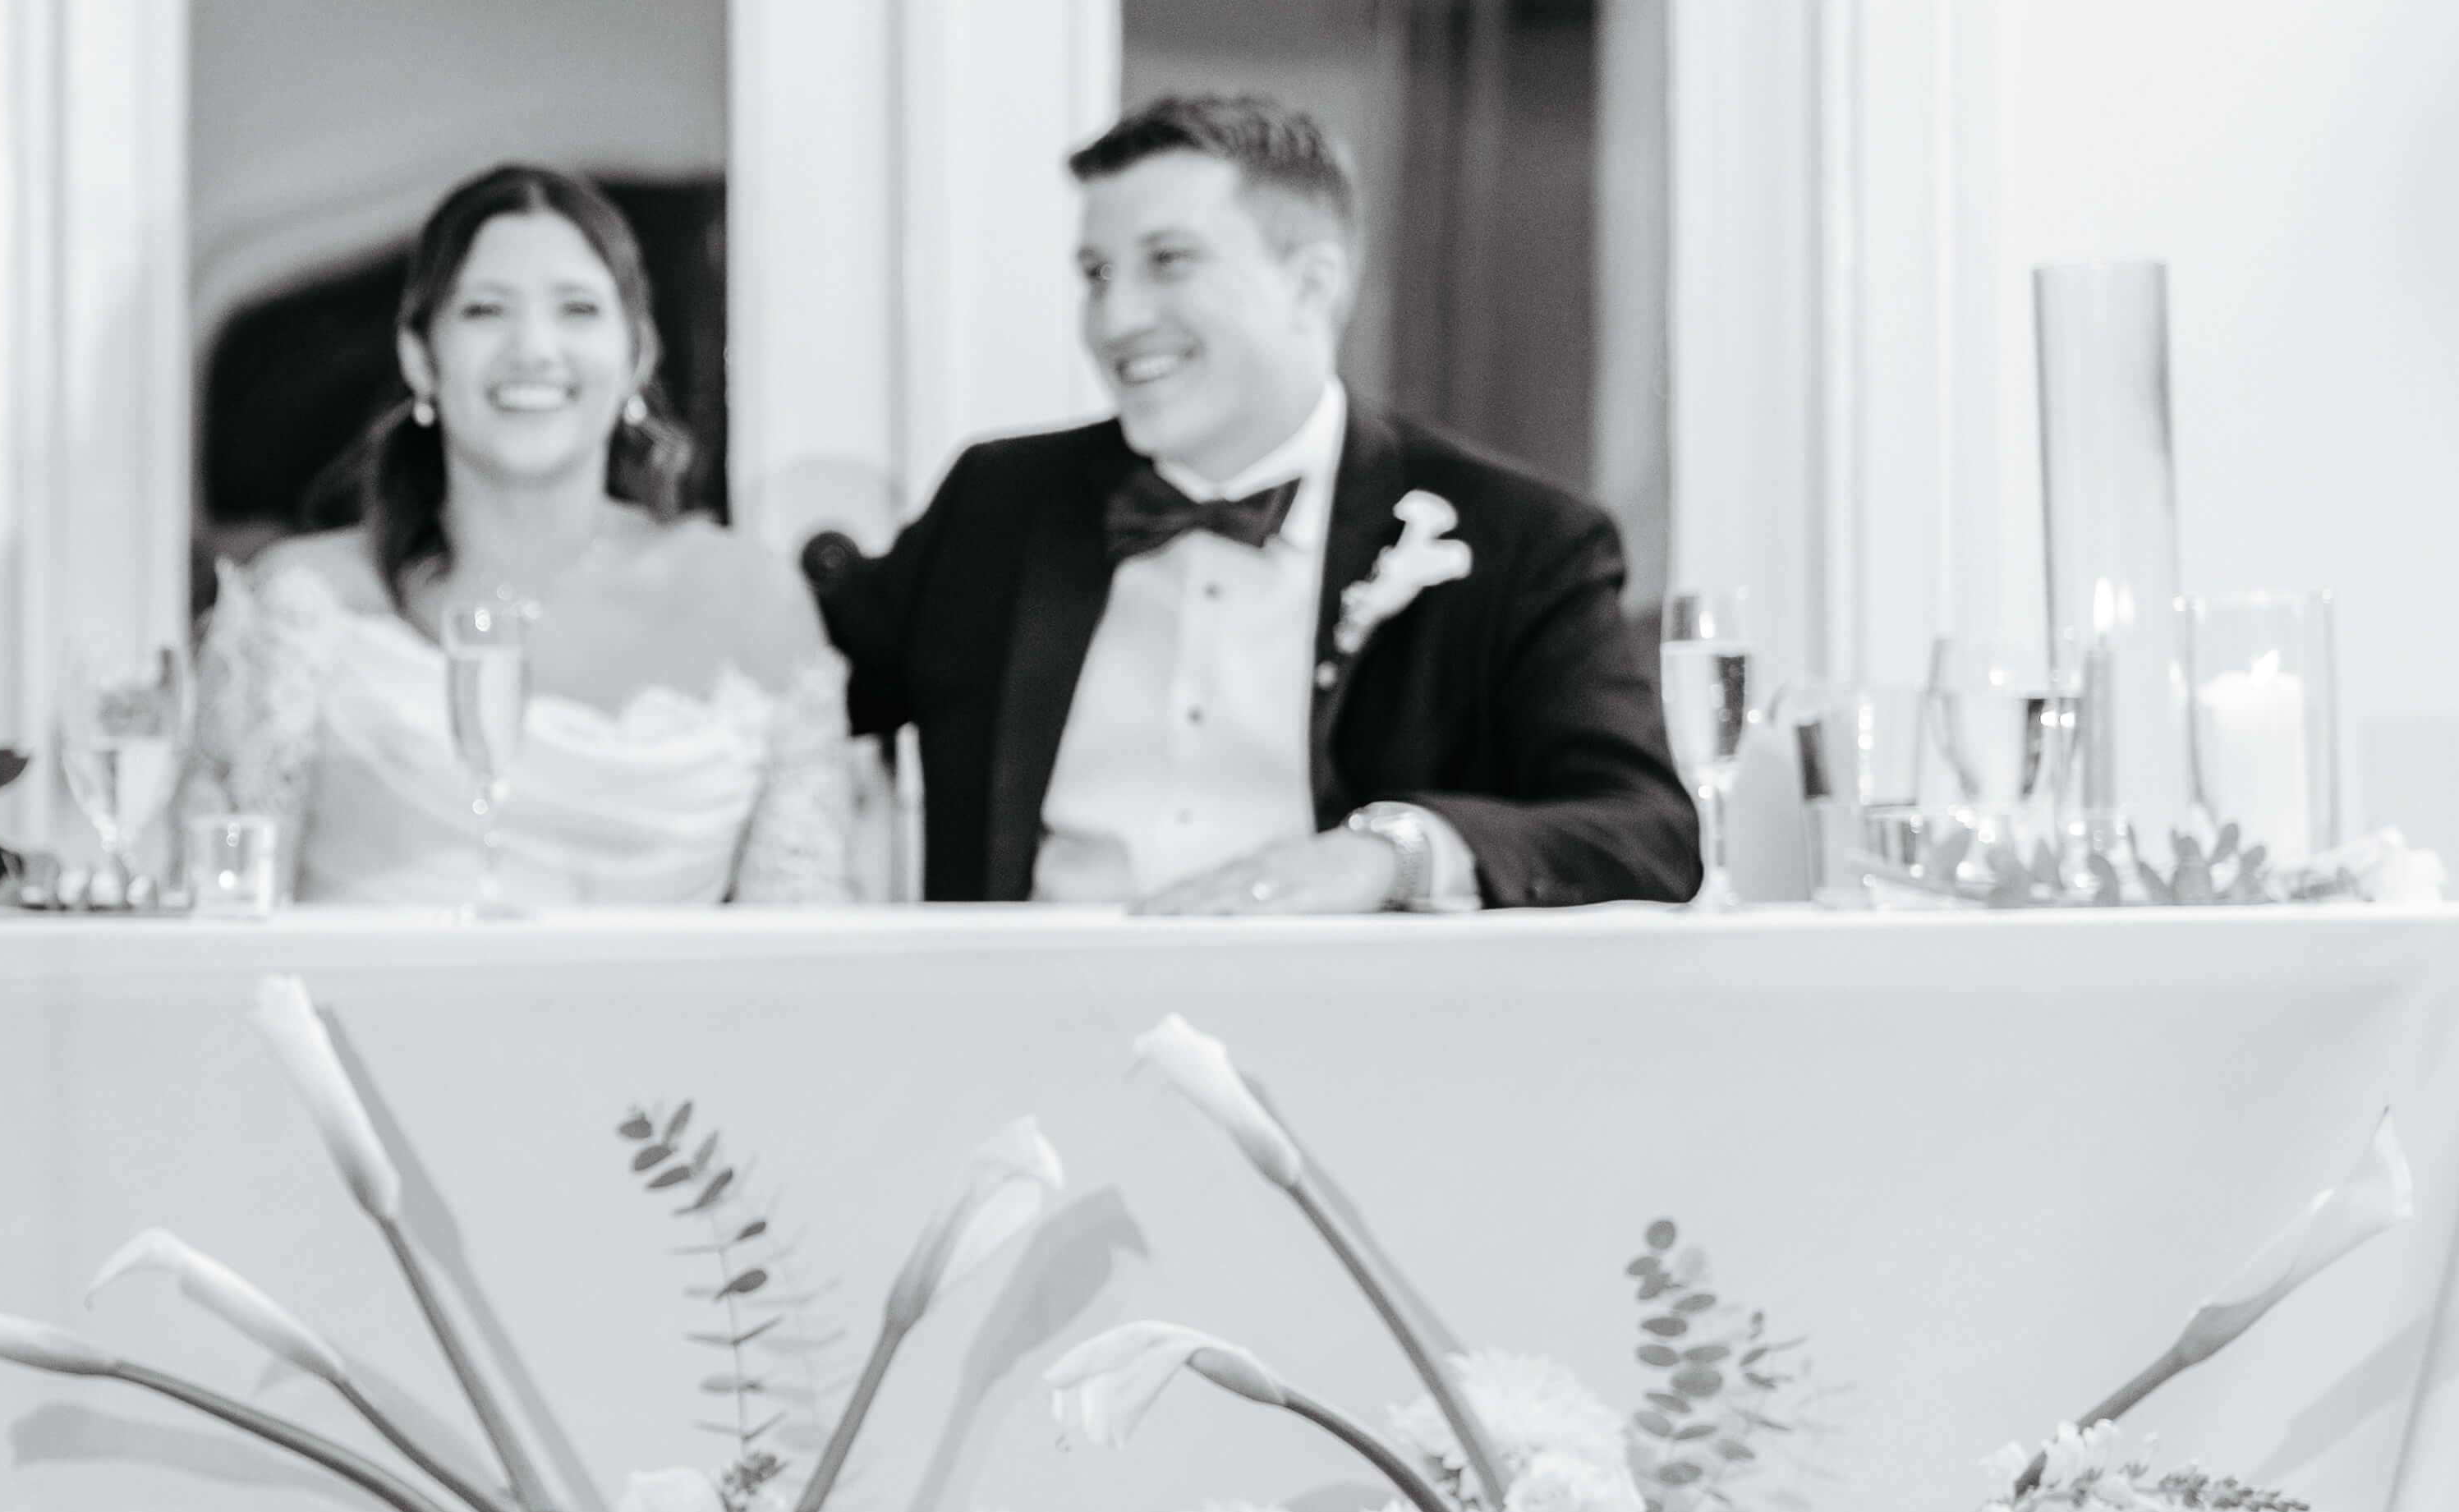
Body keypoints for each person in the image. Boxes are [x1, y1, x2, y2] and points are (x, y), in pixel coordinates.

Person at [813, 90, 1697, 911]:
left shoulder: (1516, 538)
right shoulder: (997, 504)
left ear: (1309, 283)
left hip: (1353, 1045)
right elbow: (791, 673)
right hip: (1028, 1040)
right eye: (1093, 272)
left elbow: (1646, 829)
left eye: (1166, 262)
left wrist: (1392, 852)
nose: (1113, 319)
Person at [197, 163, 851, 907]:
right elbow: (217, 923)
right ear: (421, 356)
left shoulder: (752, 601)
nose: (533, 348)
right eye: (485, 310)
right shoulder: (302, 603)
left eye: (576, 309)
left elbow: (806, 929)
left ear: (635, 354)